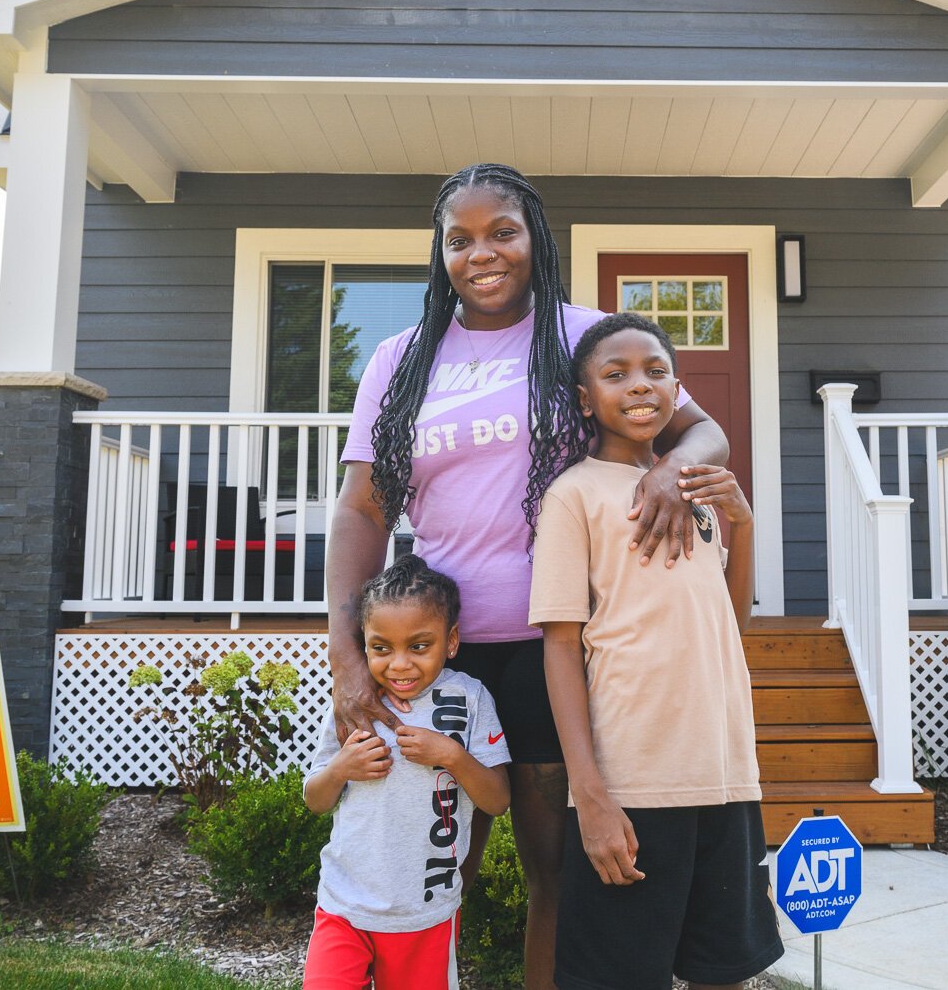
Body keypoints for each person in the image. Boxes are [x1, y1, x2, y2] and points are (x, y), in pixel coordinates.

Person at [329, 164, 730, 988]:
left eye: (502, 231)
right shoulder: (400, 361)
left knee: (556, 871)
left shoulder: (585, 337)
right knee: (429, 867)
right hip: (438, 655)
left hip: (564, 651)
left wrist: (669, 471)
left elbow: (703, 431)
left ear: (535, 238)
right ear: (439, 252)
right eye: (460, 238)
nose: (483, 254)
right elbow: (363, 510)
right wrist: (343, 649)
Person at [530, 313, 783, 990]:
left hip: (725, 776)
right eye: (615, 375)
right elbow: (559, 647)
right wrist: (591, 794)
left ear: (678, 388)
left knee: (722, 971)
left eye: (655, 370)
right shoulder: (574, 495)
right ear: (586, 399)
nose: (638, 385)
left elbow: (728, 625)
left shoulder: (695, 491)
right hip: (633, 783)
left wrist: (744, 523)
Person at [303, 554, 512, 990]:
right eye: (381, 648)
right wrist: (341, 768)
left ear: (450, 641)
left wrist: (452, 756)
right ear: (364, 642)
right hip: (345, 906)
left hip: (425, 912)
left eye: (418, 646)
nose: (398, 665)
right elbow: (315, 800)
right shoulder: (356, 703)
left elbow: (497, 799)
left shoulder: (470, 699)